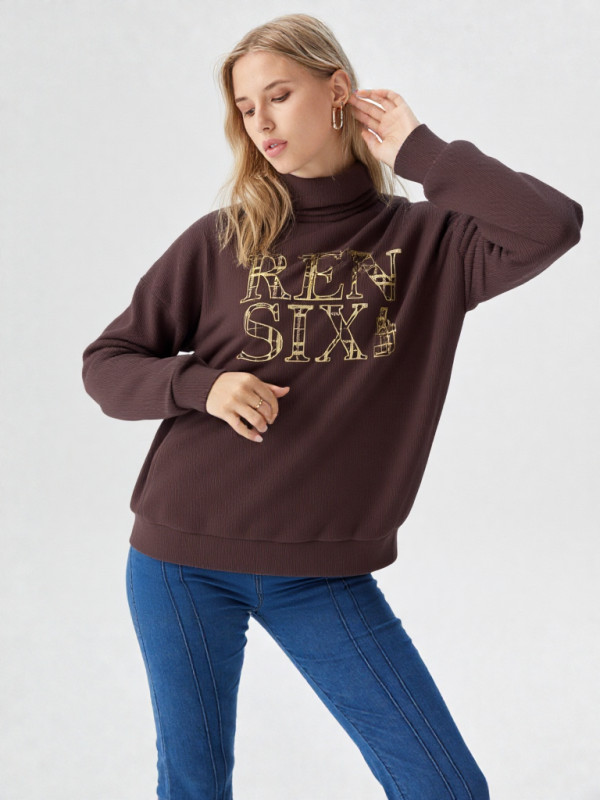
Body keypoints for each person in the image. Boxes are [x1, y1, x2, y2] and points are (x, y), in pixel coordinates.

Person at [81, 13, 583, 800]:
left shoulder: (430, 245)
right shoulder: (221, 240)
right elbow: (106, 364)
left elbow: (551, 226)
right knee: (194, 786)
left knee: (446, 787)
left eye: (279, 95)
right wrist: (201, 386)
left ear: (338, 90)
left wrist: (420, 152)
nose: (263, 122)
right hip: (179, 557)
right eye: (247, 108)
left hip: (320, 573)